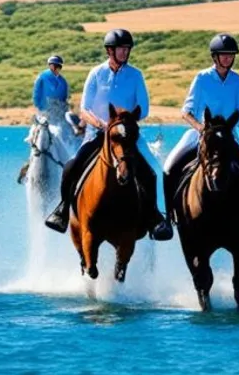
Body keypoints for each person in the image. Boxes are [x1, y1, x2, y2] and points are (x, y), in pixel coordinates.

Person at [44, 29, 172, 241]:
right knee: (71, 166)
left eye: (127, 49)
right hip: (97, 132)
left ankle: (154, 218)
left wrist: (123, 121)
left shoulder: (136, 75)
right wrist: (101, 124)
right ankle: (63, 210)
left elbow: (144, 108)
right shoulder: (96, 73)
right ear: (110, 51)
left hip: (126, 133)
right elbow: (84, 109)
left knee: (151, 171)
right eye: (121, 49)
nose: (125, 52)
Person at [161, 34, 239, 253]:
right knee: (169, 168)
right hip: (198, 134)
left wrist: (226, 128)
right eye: (223, 55)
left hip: (228, 136)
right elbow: (185, 112)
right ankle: (168, 221)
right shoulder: (201, 78)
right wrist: (201, 128)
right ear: (215, 57)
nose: (227, 59)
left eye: (230, 55)